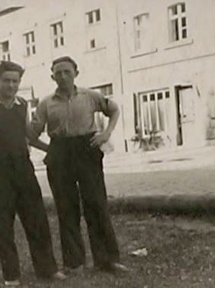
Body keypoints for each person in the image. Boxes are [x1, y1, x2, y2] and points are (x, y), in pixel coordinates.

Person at [28, 56, 129, 274]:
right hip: (60, 153)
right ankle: (74, 263)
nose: (63, 76)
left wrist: (106, 134)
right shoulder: (46, 103)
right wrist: (51, 150)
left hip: (87, 149)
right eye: (58, 73)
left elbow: (114, 109)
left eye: (67, 71)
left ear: (76, 72)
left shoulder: (90, 96)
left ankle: (107, 260)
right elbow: (31, 134)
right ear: (52, 76)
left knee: (96, 204)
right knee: (66, 208)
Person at [0, 61, 66, 287]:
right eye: (6, 81)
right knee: (4, 224)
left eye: (15, 81)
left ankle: (47, 269)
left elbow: (27, 135)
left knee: (36, 219)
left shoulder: (21, 105)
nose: (11, 85)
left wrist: (50, 148)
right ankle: (11, 275)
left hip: (23, 168)